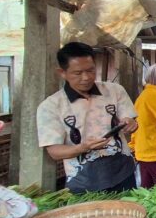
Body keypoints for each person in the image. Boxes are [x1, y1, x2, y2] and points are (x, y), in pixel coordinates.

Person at [36, 42, 138, 193]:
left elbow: (131, 121)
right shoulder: (51, 106)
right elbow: (54, 152)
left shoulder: (114, 91)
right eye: (78, 73)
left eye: (91, 70)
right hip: (83, 181)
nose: (86, 77)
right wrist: (83, 147)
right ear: (62, 72)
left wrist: (131, 124)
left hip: (123, 173)